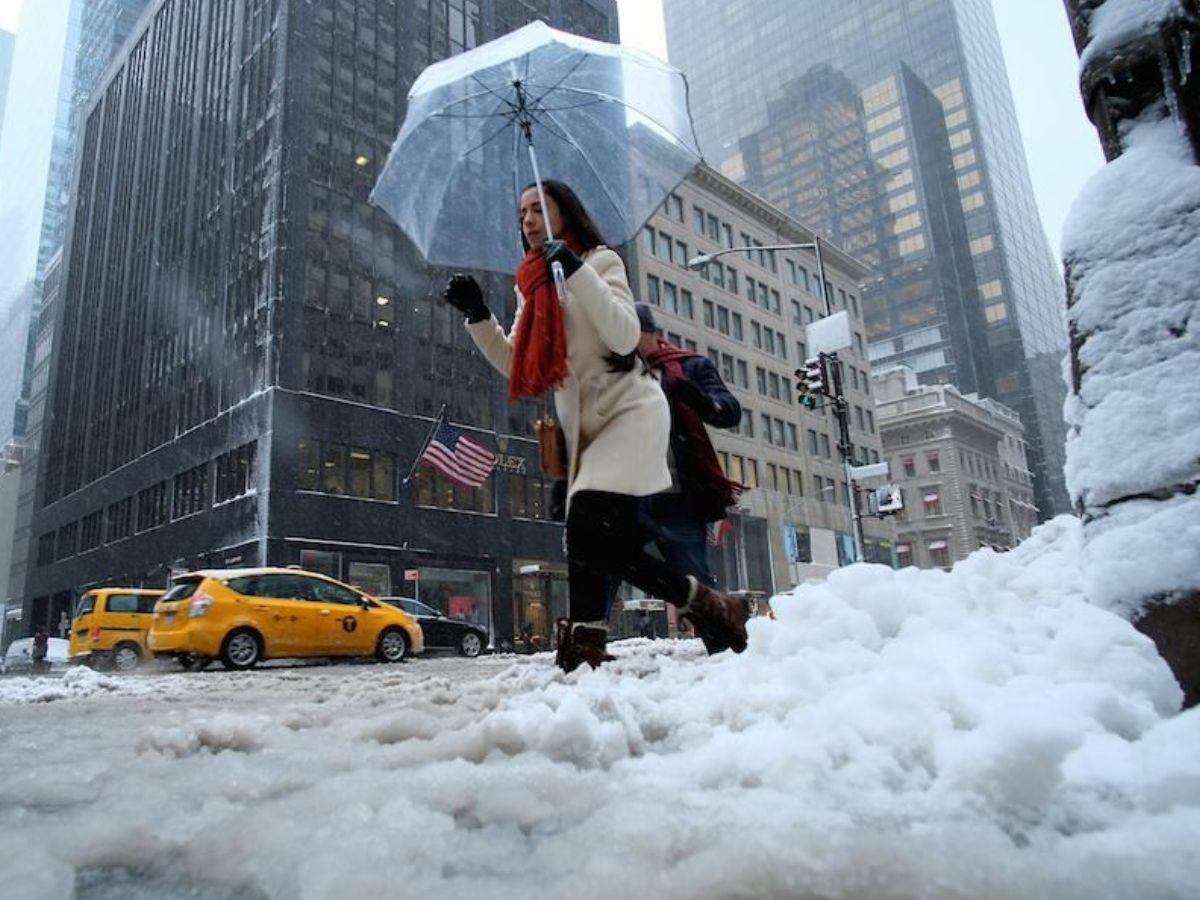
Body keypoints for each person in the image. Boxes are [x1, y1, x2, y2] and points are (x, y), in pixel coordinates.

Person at [442, 179, 750, 672]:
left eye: (539, 209)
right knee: (596, 542)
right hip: (584, 430)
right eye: (521, 213)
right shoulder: (532, 287)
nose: (528, 220)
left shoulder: (602, 263)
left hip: (628, 413)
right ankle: (703, 607)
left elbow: (625, 335)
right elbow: (516, 362)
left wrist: (578, 270)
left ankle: (605, 640)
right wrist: (478, 315)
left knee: (587, 530)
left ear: (566, 213)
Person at [632, 303, 745, 653]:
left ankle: (724, 649)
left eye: (633, 334)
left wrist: (698, 400)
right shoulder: (615, 371)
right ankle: (587, 650)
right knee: (603, 569)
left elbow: (728, 410)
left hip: (678, 496)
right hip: (630, 494)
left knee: (693, 577)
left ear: (650, 333)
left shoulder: (690, 366)